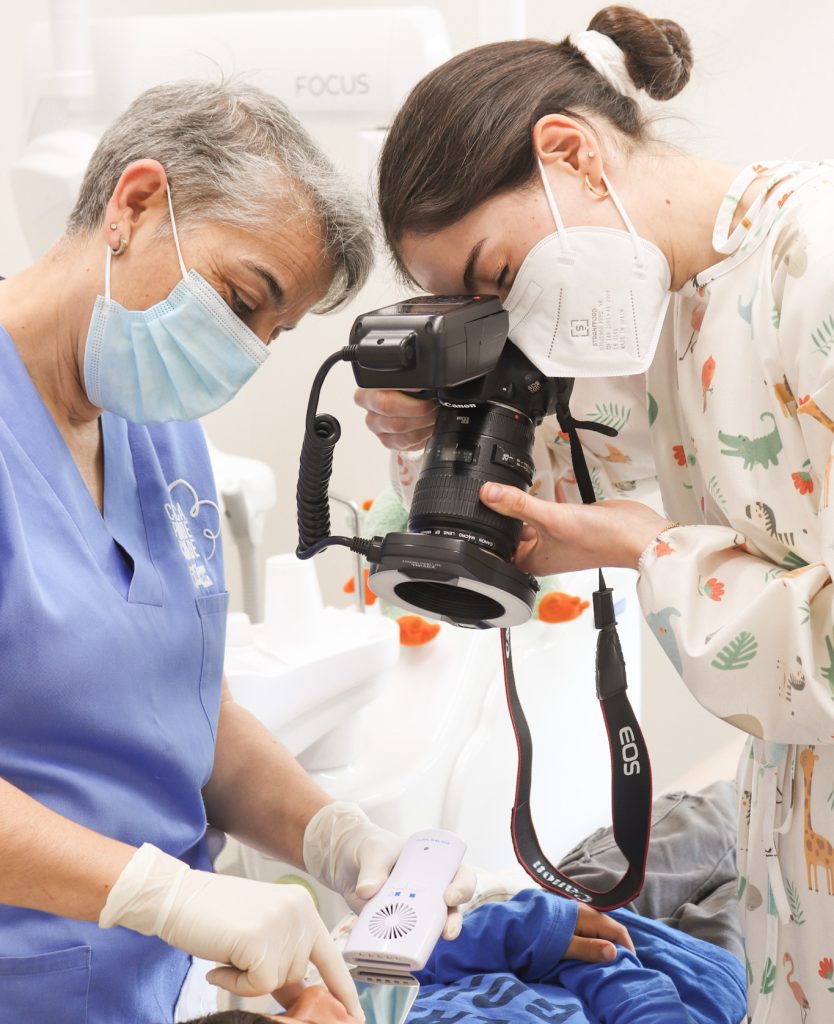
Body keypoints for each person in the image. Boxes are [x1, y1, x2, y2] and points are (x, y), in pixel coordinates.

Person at [357, 6, 834, 1022]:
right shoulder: (675, 306)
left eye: (495, 277)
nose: (511, 317)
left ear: (570, 152)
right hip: (795, 855)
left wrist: (643, 550)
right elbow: (553, 498)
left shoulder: (815, 269)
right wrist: (423, 424)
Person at [0, 79, 482, 1024]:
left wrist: (336, 840)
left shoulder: (154, 427)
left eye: (275, 331)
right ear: (134, 206)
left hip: (177, 985)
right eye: (242, 298)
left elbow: (183, 712)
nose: (245, 352)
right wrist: (165, 896)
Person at [179, 781, 746, 1024]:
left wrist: (536, 931)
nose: (321, 1006)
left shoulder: (366, 1002)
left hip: (581, 911)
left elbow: (453, 947)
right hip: (707, 981)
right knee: (785, 846)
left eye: (289, 1013)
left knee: (722, 811)